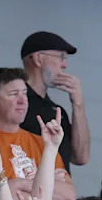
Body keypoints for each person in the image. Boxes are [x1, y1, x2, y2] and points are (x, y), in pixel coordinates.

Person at [0, 68, 76, 200]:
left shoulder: (42, 143)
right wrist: (46, 187)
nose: (22, 100)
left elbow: (68, 194)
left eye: (25, 93)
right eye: (13, 94)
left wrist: (18, 183)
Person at [19, 31, 89, 172]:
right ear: (38, 59)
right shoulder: (16, 102)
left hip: (60, 191)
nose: (64, 65)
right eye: (61, 57)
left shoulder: (57, 111)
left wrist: (78, 104)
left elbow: (81, 157)